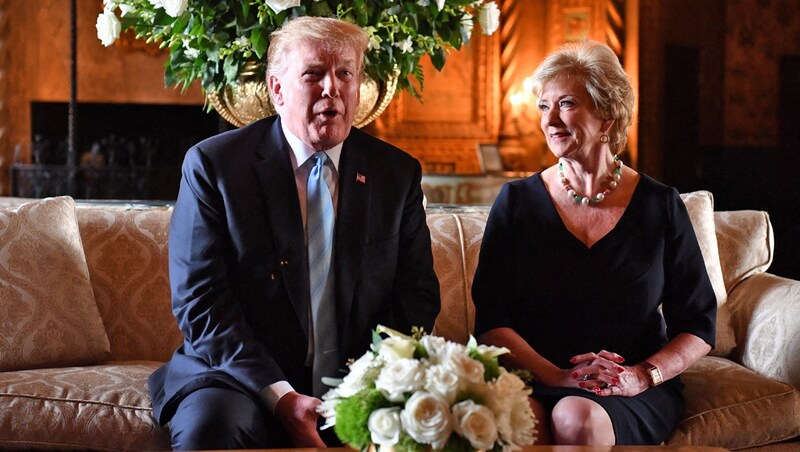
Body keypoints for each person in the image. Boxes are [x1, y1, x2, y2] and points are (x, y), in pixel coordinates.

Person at [148, 16, 441, 450]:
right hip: (239, 376)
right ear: (277, 89)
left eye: (345, 73)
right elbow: (201, 303)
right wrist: (281, 395)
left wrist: (365, 386)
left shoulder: (395, 174)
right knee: (211, 427)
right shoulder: (216, 166)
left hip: (359, 377)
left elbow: (416, 298)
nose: (332, 89)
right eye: (313, 74)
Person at [472, 40, 717, 446]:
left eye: (566, 104)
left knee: (576, 416)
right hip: (534, 375)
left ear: (606, 117)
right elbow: (493, 323)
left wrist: (641, 375)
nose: (550, 120)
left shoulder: (660, 205)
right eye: (543, 107)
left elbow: (698, 325)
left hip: (629, 385)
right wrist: (557, 376)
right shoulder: (516, 202)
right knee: (516, 422)